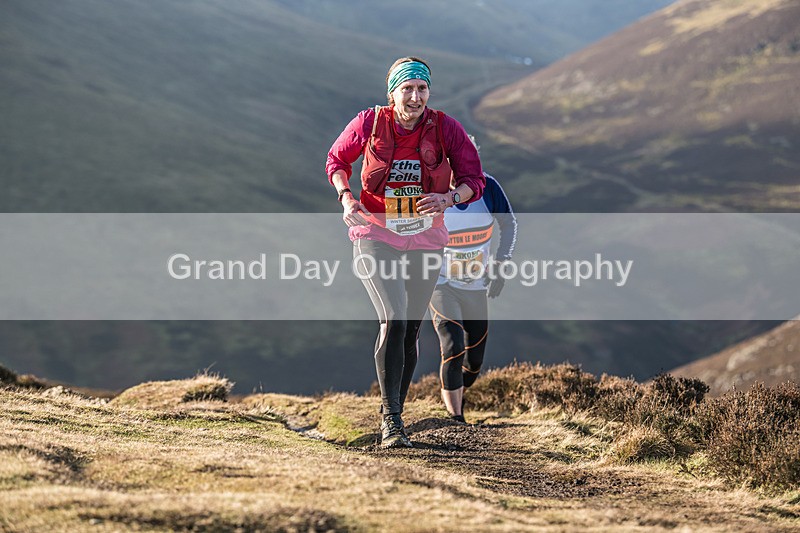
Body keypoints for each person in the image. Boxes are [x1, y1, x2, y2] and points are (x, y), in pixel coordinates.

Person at [326, 57, 485, 448]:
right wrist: (346, 197)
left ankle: (397, 408)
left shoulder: (446, 127)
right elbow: (337, 160)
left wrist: (449, 197)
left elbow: (474, 180)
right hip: (375, 234)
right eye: (407, 88)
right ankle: (391, 418)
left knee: (412, 327)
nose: (415, 97)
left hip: (427, 239)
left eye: (422, 89)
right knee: (394, 319)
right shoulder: (370, 122)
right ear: (392, 91)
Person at [429, 136, 517, 423]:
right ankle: (456, 418)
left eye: (467, 158)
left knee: (474, 361)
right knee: (452, 344)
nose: (460, 166)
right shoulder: (433, 190)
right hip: (440, 284)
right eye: (453, 160)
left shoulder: (488, 187)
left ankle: (453, 388)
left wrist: (501, 265)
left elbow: (508, 223)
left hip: (475, 285)